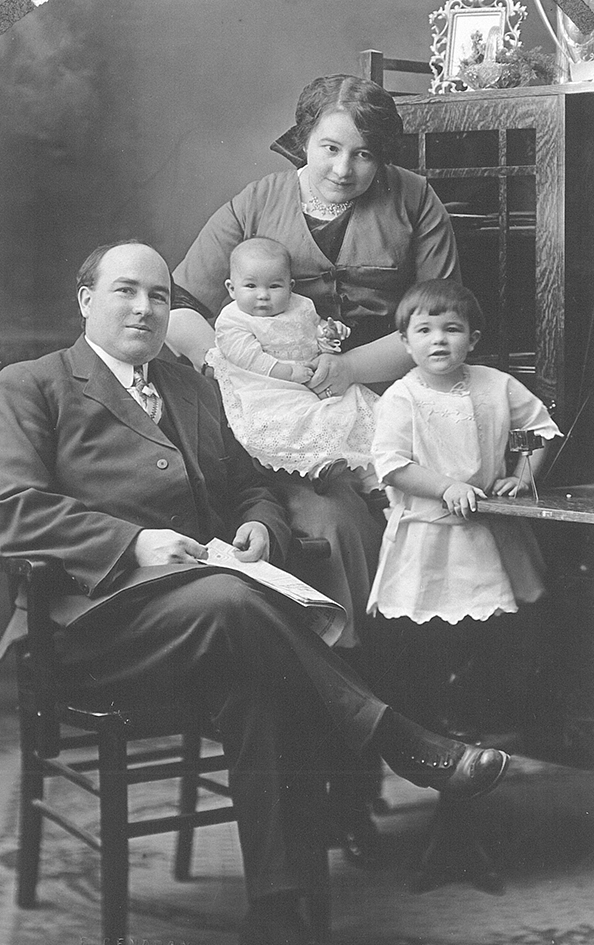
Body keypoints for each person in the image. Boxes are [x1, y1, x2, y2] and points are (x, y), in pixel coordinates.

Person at [0, 242, 510, 945]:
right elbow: (12, 506)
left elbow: (251, 486)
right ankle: (395, 737)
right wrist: (132, 543)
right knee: (240, 605)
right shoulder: (32, 384)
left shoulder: (188, 383)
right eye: (125, 293)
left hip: (210, 615)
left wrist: (262, 530)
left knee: (262, 676)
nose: (145, 310)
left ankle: (278, 924)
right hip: (89, 627)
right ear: (84, 300)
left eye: (160, 298)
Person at [167, 73, 461, 653]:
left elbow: (440, 320)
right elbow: (178, 303)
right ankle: (333, 690)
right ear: (304, 140)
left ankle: (393, 681)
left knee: (401, 516)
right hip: (262, 411)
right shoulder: (257, 201)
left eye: (364, 154)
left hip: (378, 400)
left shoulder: (415, 199)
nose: (343, 168)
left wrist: (349, 369)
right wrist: (223, 361)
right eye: (329, 148)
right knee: (316, 520)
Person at [367, 279, 562, 733]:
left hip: (491, 531)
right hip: (429, 534)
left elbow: (541, 431)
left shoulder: (496, 385)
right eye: (425, 330)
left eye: (452, 329)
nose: (439, 340)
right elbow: (392, 465)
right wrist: (444, 487)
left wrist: (521, 475)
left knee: (496, 625)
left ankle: (483, 721)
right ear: (405, 343)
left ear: (472, 339)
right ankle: (433, 730)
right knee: (431, 633)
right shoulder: (403, 396)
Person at [207, 236, 378, 493]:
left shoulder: (301, 306)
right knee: (294, 417)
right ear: (232, 289)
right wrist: (287, 373)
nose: (263, 296)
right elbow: (248, 358)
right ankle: (317, 466)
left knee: (355, 404)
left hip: (311, 377)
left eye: (275, 286)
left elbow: (313, 331)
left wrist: (328, 333)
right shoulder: (233, 320)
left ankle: (374, 479)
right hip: (266, 384)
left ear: (290, 286)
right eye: (251, 286)